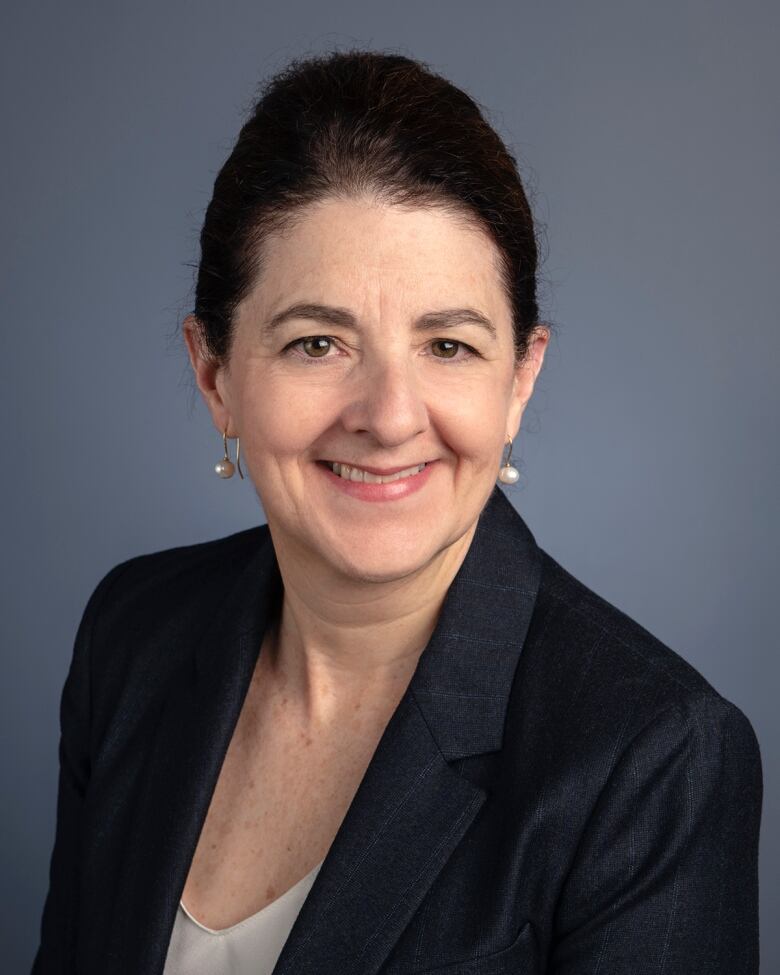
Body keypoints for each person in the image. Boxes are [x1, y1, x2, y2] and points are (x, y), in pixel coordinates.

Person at [31, 49, 762, 975]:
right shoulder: (132, 635)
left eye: (448, 345)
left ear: (519, 382)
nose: (388, 415)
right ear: (214, 374)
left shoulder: (652, 758)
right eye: (319, 341)